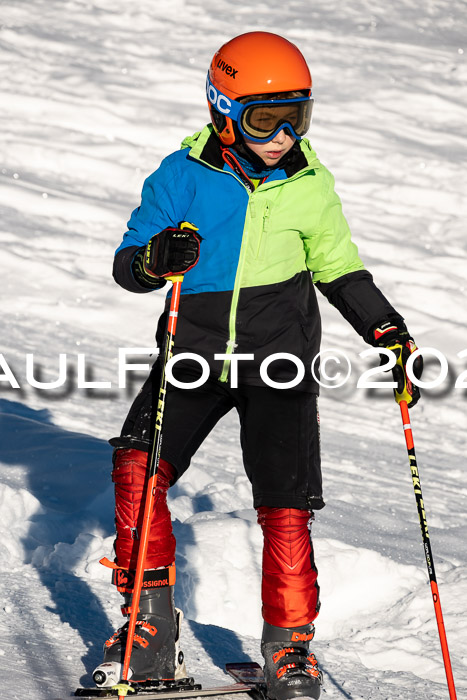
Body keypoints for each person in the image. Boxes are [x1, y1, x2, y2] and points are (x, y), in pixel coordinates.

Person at [94, 31, 422, 700]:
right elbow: (129, 265)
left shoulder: (308, 182)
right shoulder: (180, 175)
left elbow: (338, 268)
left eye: (295, 117)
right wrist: (155, 259)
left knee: (284, 504)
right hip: (194, 354)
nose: (280, 135)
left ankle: (288, 651)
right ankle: (148, 631)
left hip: (278, 360)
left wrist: (387, 331)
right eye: (262, 119)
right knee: (138, 464)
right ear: (221, 109)